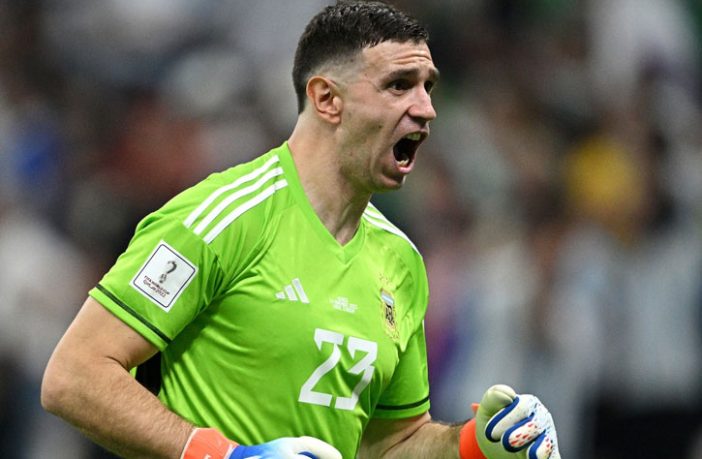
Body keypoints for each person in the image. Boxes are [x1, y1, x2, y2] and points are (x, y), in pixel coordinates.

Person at [41, 1, 561, 458]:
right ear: (327, 99)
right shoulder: (223, 218)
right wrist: (227, 457)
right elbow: (74, 375)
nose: (426, 109)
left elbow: (390, 443)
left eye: (429, 88)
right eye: (399, 85)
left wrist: (475, 445)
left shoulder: (400, 261)